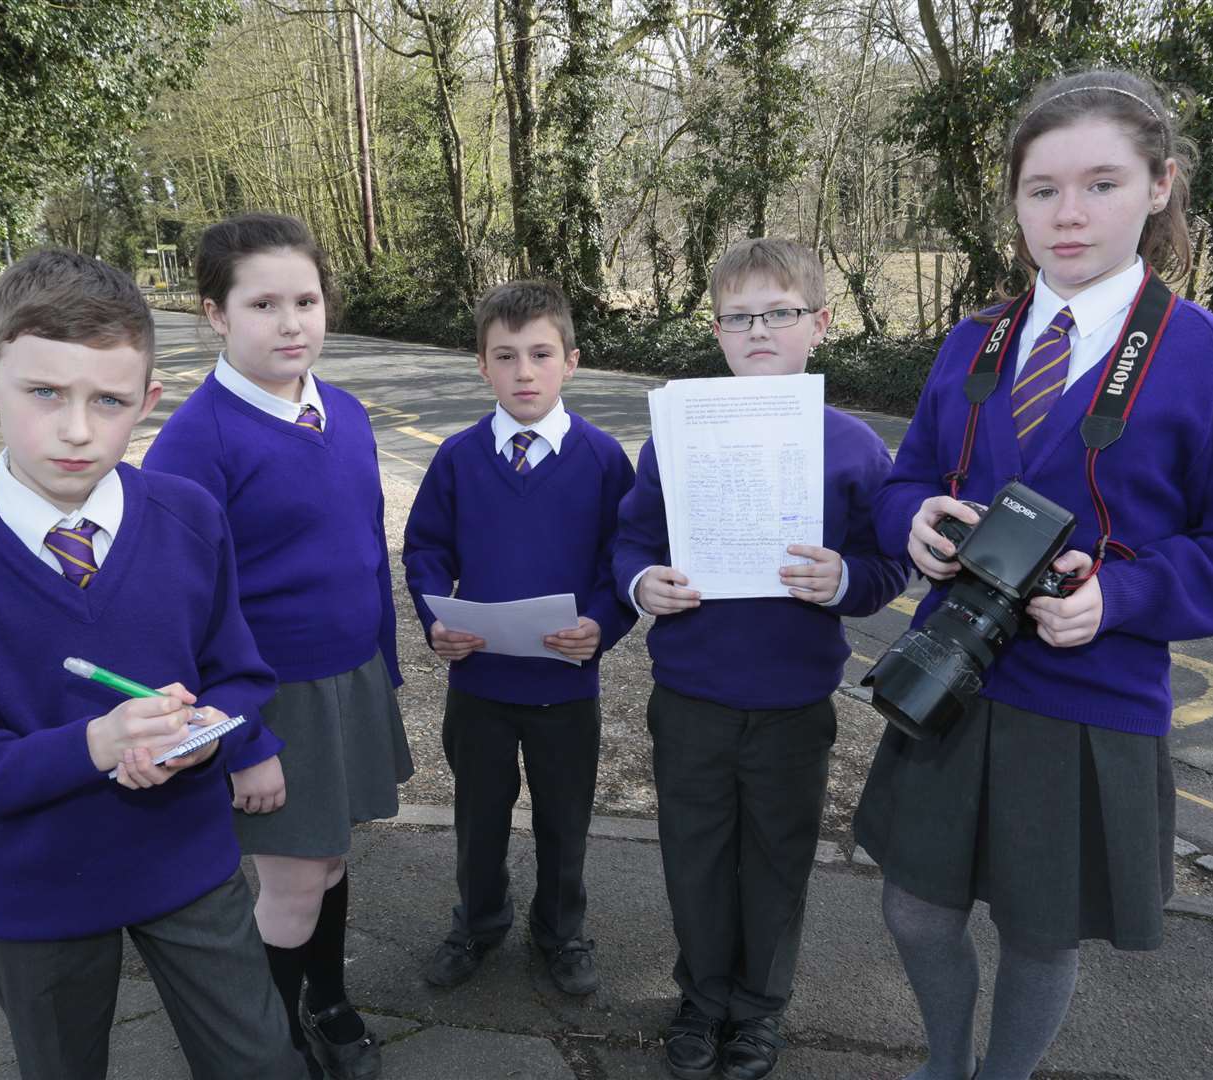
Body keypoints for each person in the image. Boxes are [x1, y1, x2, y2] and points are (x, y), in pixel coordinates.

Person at [852, 70, 1213, 1080]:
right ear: (1014, 200)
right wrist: (912, 518)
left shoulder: (1212, 358)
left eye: (1101, 184)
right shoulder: (975, 340)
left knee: (1039, 934)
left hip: (1090, 696)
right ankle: (945, 1066)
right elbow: (910, 479)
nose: (1067, 214)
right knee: (914, 910)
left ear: (1159, 187)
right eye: (1041, 189)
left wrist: (1124, 596)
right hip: (949, 676)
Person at [0, 250, 304, 1080]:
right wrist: (96, 746)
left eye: (108, 401)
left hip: (187, 858)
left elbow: (241, 678)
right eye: (44, 393)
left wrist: (207, 739)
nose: (77, 429)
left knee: (260, 1060)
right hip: (32, 888)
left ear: (147, 403)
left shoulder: (189, 516)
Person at [614, 238, 910, 1080]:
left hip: (792, 697)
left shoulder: (853, 447)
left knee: (778, 858)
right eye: (738, 317)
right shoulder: (675, 433)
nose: (756, 331)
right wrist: (642, 583)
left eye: (777, 313)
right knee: (695, 853)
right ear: (715, 331)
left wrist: (848, 576)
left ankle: (759, 1011)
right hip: (693, 691)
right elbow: (633, 535)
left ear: (819, 324)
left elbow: (887, 562)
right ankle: (702, 1001)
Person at [144, 212, 411, 1080]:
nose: (292, 321)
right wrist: (242, 739)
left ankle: (326, 1002)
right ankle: (270, 1047)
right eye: (263, 303)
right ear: (216, 314)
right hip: (271, 702)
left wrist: (387, 673)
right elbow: (179, 614)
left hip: (351, 681)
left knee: (329, 857)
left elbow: (369, 551)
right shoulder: (196, 440)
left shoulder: (344, 411)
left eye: (307, 298)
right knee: (291, 886)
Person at [402, 279, 637, 996]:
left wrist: (603, 623)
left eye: (540, 354)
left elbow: (620, 559)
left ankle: (561, 932)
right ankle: (478, 921)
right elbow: (424, 550)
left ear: (572, 360)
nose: (524, 371)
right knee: (478, 819)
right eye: (505, 356)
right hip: (480, 684)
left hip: (566, 685)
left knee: (565, 822)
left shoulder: (602, 460)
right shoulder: (457, 458)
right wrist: (435, 619)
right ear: (482, 366)